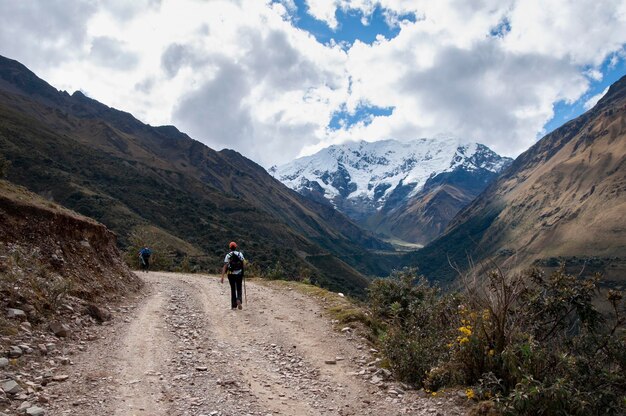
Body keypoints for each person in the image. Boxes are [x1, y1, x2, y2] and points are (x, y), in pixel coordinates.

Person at [221, 241, 245, 310]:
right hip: (239, 274)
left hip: (230, 275)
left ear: (230, 248)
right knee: (239, 288)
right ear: (236, 247)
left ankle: (234, 305)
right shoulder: (240, 254)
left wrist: (222, 276)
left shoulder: (228, 255)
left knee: (233, 289)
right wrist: (243, 271)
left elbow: (225, 266)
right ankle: (239, 300)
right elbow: (243, 263)